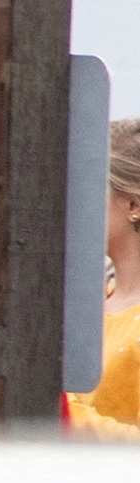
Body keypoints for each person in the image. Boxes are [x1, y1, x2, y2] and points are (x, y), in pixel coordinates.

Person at [76, 120, 140, 436]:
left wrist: (61, 414)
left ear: (133, 205)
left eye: (91, 191)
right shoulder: (95, 299)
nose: (78, 207)